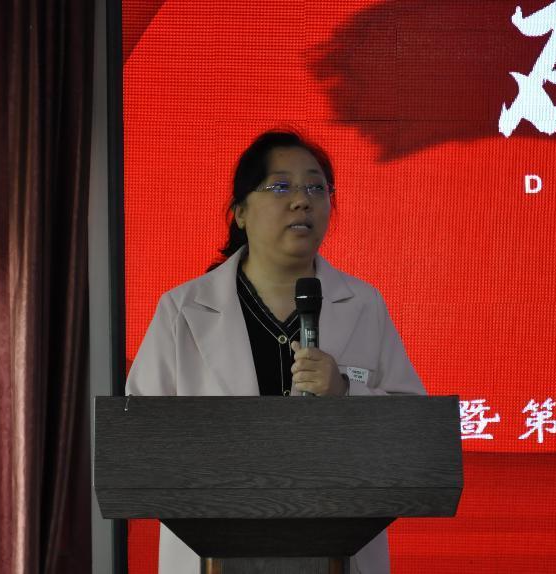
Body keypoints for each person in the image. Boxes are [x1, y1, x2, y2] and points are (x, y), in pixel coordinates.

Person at [125, 130, 425, 574]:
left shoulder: (363, 303)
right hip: (216, 555)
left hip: (336, 551)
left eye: (316, 188)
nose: (302, 201)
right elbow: (139, 436)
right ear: (240, 212)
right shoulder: (184, 309)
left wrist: (345, 392)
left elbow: (412, 430)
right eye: (281, 186)